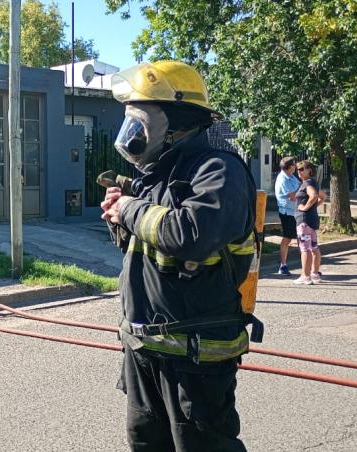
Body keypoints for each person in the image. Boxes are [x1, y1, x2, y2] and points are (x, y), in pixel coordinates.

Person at [100, 60, 255, 452]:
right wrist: (119, 217)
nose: (132, 133)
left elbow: (191, 235)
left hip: (195, 357)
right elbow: (145, 250)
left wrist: (130, 210)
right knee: (146, 444)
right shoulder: (157, 175)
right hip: (144, 349)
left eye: (140, 121)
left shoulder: (218, 171)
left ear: (176, 121)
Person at [293, 160, 326, 285]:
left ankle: (305, 276)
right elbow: (323, 197)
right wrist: (313, 206)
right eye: (298, 169)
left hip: (304, 221)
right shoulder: (313, 183)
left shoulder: (307, 183)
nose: (299, 172)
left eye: (302, 169)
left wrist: (305, 207)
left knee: (304, 249)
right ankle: (314, 274)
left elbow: (313, 196)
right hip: (311, 220)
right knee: (314, 247)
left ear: (310, 170)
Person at [274, 157, 300, 275]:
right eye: (294, 165)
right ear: (290, 167)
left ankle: (305, 263)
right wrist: (303, 191)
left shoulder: (292, 177)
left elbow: (300, 188)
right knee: (287, 238)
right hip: (287, 212)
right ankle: (283, 265)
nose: (296, 167)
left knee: (301, 237)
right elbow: (293, 196)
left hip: (296, 210)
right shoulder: (282, 179)